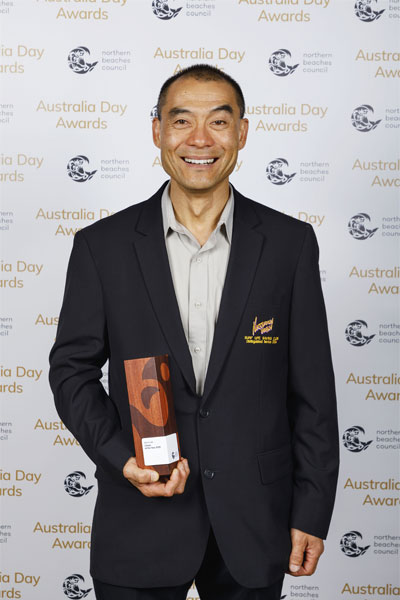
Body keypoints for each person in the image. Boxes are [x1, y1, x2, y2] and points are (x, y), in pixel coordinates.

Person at [49, 64, 339, 600]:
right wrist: (121, 457)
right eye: (182, 121)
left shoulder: (290, 244)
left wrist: (313, 510)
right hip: (138, 519)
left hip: (257, 523)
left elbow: (314, 395)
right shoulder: (102, 246)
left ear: (243, 134)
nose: (200, 140)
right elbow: (71, 372)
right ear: (157, 130)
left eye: (219, 122)